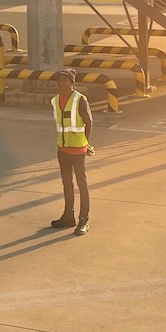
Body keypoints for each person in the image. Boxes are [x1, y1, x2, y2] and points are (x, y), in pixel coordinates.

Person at [50, 70, 94, 236]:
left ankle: (84, 219)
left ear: (71, 82)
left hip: (77, 149)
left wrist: (86, 143)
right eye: (59, 80)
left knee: (82, 184)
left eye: (65, 80)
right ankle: (69, 216)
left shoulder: (79, 99)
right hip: (62, 149)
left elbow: (89, 123)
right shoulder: (55, 101)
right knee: (67, 184)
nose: (61, 83)